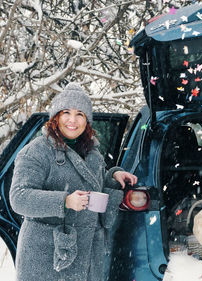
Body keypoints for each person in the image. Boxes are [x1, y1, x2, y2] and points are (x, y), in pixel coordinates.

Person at [9, 83, 137, 281]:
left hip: (87, 259)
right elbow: (19, 197)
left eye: (80, 114)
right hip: (48, 259)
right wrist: (65, 201)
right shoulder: (37, 151)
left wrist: (113, 177)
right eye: (66, 112)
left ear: (87, 121)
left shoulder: (92, 153)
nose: (72, 120)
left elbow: (93, 185)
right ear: (56, 117)